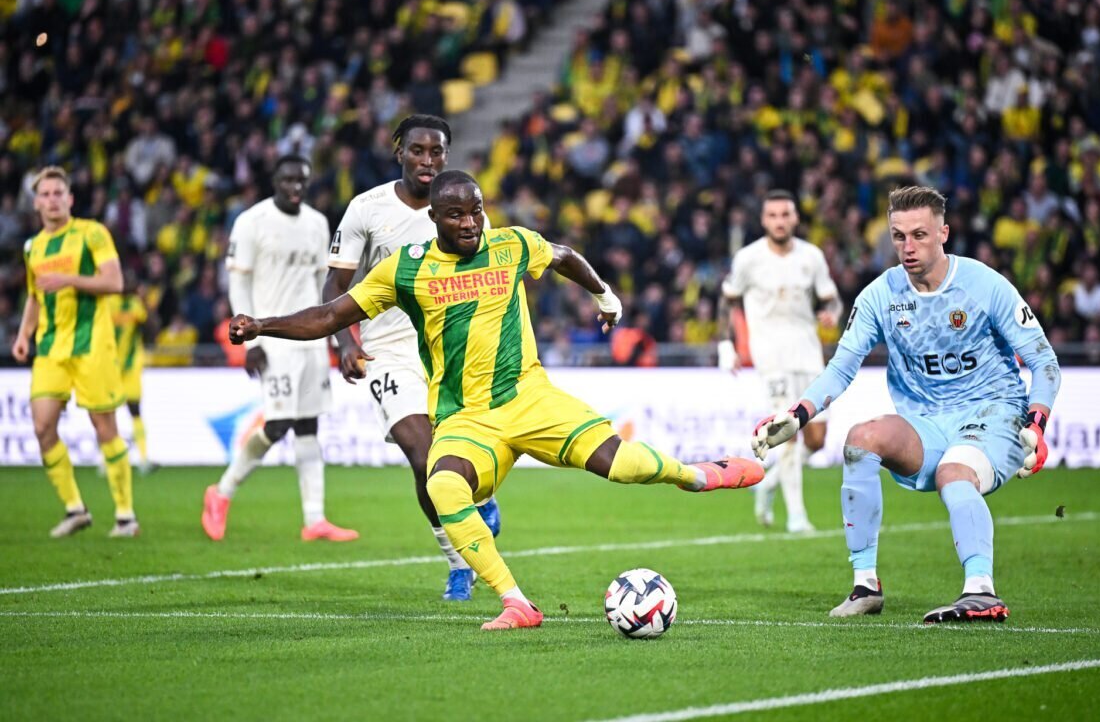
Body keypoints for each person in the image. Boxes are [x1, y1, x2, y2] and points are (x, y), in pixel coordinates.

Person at [229, 170, 764, 631]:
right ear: (433, 218)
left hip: (529, 398)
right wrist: (261, 325)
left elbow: (564, 256)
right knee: (441, 485)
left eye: (476, 211)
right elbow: (330, 315)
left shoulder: (511, 245)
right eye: (456, 215)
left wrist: (605, 296)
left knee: (623, 466)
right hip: (466, 418)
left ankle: (697, 475)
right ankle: (516, 602)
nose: (470, 223)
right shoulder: (405, 269)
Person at [751, 186, 1060, 624]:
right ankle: (865, 585)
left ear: (944, 233)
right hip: (927, 424)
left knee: (955, 471)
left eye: (919, 235)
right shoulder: (881, 295)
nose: (908, 247)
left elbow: (1044, 362)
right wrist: (798, 414)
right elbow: (842, 366)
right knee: (861, 439)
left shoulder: (984, 285)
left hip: (993, 414)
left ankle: (980, 591)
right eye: (899, 236)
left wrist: (1037, 422)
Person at [323, 114, 501, 601]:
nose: (427, 160)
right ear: (399, 152)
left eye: (436, 151)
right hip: (388, 351)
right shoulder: (367, 208)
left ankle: (482, 498)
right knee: (424, 458)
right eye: (418, 150)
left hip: (451, 348)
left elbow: (491, 281)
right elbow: (336, 283)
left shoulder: (465, 209)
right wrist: (344, 343)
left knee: (463, 457)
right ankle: (457, 562)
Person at [202, 156, 358, 543]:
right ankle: (221, 492)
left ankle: (314, 519)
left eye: (301, 181)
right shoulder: (252, 222)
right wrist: (249, 339)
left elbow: (323, 284)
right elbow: (239, 283)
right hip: (271, 337)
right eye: (288, 180)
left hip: (311, 338)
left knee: (308, 425)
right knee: (277, 425)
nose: (295, 187)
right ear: (274, 180)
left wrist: (332, 336)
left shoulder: (317, 223)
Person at [11, 166, 138, 538]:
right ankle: (75, 508)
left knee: (104, 427)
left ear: (70, 199)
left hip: (91, 344)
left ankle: (126, 516)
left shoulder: (91, 233)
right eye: (45, 194)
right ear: (36, 203)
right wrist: (24, 334)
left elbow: (115, 281)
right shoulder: (32, 247)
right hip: (51, 348)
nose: (52, 200)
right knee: (42, 427)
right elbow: (35, 296)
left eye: (57, 193)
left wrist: (69, 279)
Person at [719, 190, 842, 533]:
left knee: (816, 439)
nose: (779, 221)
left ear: (795, 218)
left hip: (809, 353)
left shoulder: (811, 256)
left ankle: (769, 484)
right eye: (772, 215)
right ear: (763, 220)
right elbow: (727, 301)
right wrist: (726, 344)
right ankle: (797, 517)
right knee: (787, 433)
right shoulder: (748, 258)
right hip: (771, 357)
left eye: (785, 214)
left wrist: (832, 314)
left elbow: (832, 300)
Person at [110, 268, 152, 473]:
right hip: (110, 364)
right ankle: (109, 459)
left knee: (134, 409)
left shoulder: (136, 305)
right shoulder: (109, 303)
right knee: (106, 412)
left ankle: (143, 458)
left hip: (131, 365)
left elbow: (151, 329)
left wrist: (145, 303)